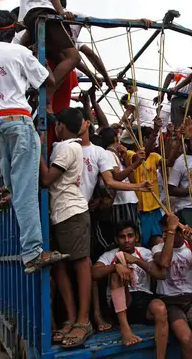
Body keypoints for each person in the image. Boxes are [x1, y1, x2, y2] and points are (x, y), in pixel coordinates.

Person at [0, 9, 68, 274]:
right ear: (14, 31)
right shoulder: (20, 53)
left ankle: (29, 246)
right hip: (17, 122)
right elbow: (49, 80)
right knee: (26, 191)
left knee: (17, 187)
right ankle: (33, 253)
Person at [75, 106, 152, 334]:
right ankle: (100, 315)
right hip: (112, 210)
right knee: (111, 259)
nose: (121, 143)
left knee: (120, 258)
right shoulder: (105, 154)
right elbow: (112, 181)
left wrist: (135, 164)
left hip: (116, 208)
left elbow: (114, 177)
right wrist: (137, 182)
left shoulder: (108, 155)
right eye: (118, 138)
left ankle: (109, 314)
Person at [39, 107, 92, 348]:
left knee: (80, 264)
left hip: (72, 212)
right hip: (60, 214)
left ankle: (83, 320)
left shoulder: (69, 147)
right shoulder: (66, 145)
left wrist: (36, 151)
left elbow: (47, 179)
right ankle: (71, 318)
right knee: (60, 265)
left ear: (61, 126)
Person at [92, 222, 169, 356]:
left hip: (143, 300)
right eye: (122, 237)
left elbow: (160, 274)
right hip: (121, 305)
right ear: (116, 239)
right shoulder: (110, 255)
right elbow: (93, 273)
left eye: (130, 236)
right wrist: (115, 266)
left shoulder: (145, 252)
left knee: (160, 308)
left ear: (137, 237)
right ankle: (125, 330)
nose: (126, 240)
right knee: (116, 274)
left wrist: (135, 260)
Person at [18, 0, 80, 113]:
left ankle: (43, 94)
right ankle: (46, 98)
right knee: (74, 57)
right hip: (42, 11)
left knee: (59, 58)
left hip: (31, 14)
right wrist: (61, 12)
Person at [152, 214, 192, 359]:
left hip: (191, 299)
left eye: (168, 231)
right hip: (170, 301)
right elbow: (164, 263)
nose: (165, 235)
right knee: (186, 339)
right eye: (164, 232)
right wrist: (171, 231)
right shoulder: (157, 248)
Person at [125, 119, 166, 248]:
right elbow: (142, 156)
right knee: (141, 245)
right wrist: (155, 131)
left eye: (152, 139)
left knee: (159, 243)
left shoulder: (154, 156)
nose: (152, 142)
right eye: (148, 139)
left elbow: (168, 162)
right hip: (140, 211)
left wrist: (174, 140)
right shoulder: (130, 154)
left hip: (155, 209)